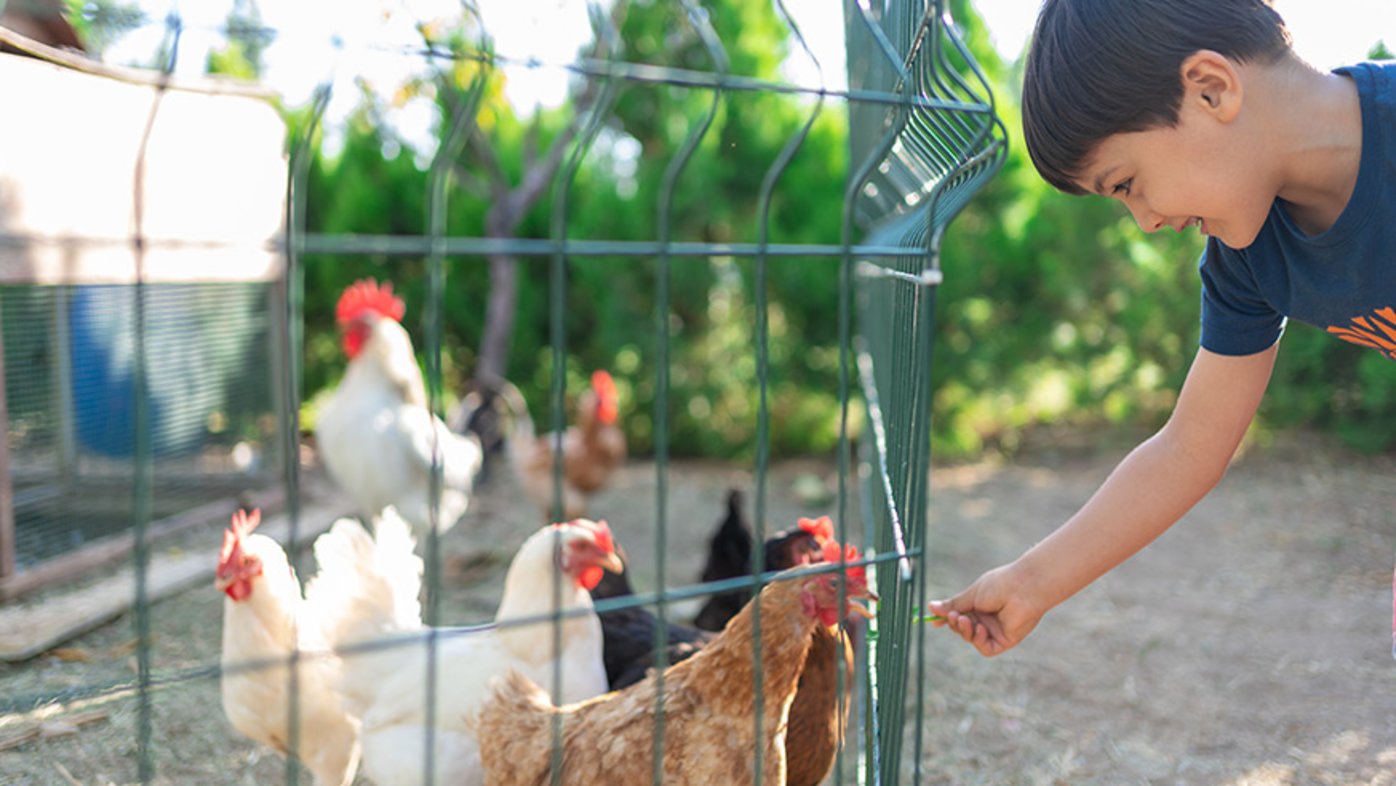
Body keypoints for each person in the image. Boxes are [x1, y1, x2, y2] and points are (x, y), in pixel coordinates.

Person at [928, 0, 1396, 656]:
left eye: (1128, 184)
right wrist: (1032, 583)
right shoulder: (1250, 260)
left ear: (1211, 88)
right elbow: (1188, 448)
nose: (1145, 222)